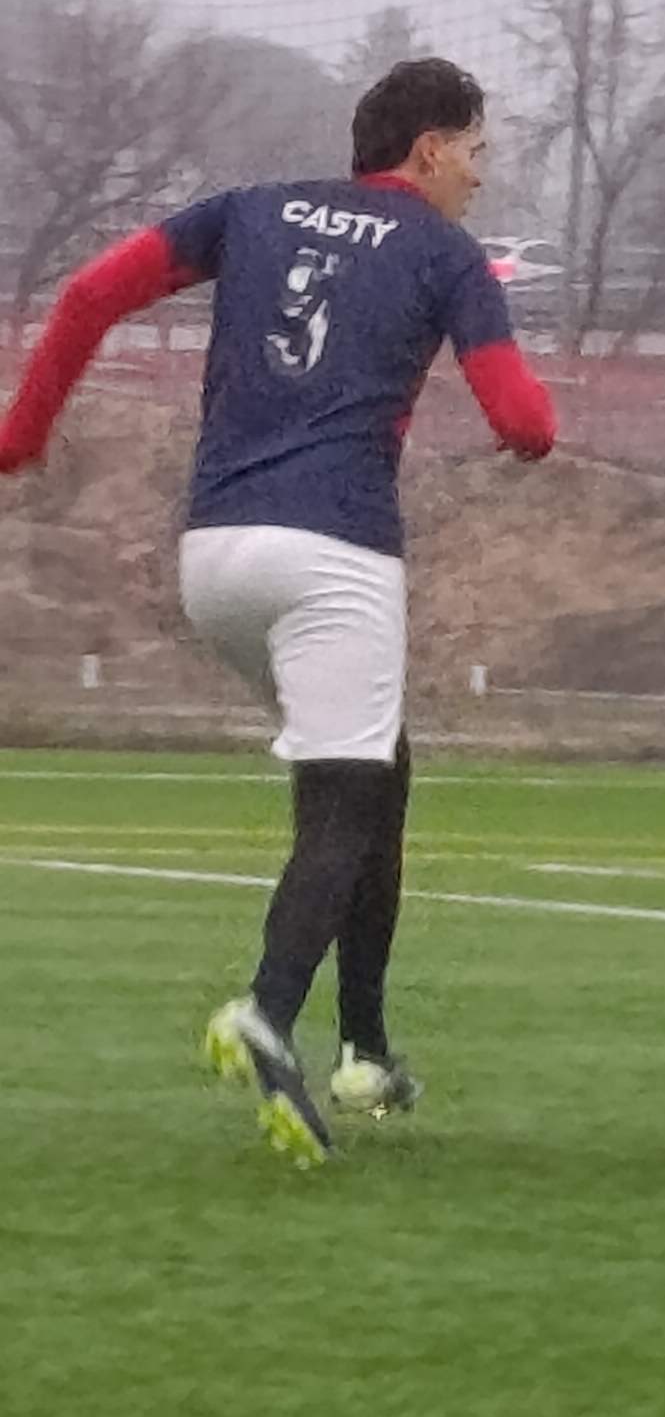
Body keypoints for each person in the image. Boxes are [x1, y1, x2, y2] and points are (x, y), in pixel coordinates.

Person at [0, 57, 556, 1162]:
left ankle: (366, 1050)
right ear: (431, 149)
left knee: (377, 774)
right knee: (344, 807)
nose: (480, 177)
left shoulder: (249, 209)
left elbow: (89, 295)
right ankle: (267, 1011)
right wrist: (531, 434)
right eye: (477, 152)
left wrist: (18, 440)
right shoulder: (447, 253)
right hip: (333, 554)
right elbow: (523, 417)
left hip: (215, 559)